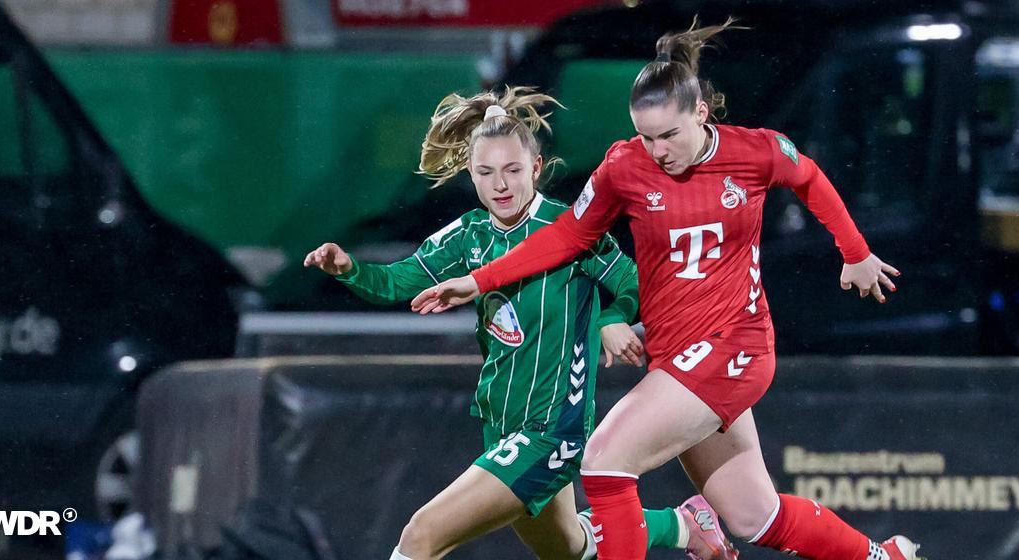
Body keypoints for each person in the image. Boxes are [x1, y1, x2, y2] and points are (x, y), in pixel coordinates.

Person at [410, 20, 921, 560]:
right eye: (646, 136)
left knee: (605, 459)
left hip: (735, 345)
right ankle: (883, 555)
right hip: (676, 354)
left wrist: (855, 252)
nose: (657, 150)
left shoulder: (756, 151)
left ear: (700, 113)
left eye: (669, 135)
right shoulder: (624, 167)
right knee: (754, 515)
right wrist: (479, 280)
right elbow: (567, 236)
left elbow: (809, 177)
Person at [304, 86, 736, 560]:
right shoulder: (468, 235)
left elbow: (638, 284)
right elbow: (391, 284)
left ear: (535, 167)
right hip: (500, 422)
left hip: (551, 429)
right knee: (568, 548)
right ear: (471, 174)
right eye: (486, 172)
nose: (500, 185)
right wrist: (348, 269)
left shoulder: (573, 228)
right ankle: (683, 525)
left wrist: (613, 318)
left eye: (512, 170)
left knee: (420, 536)